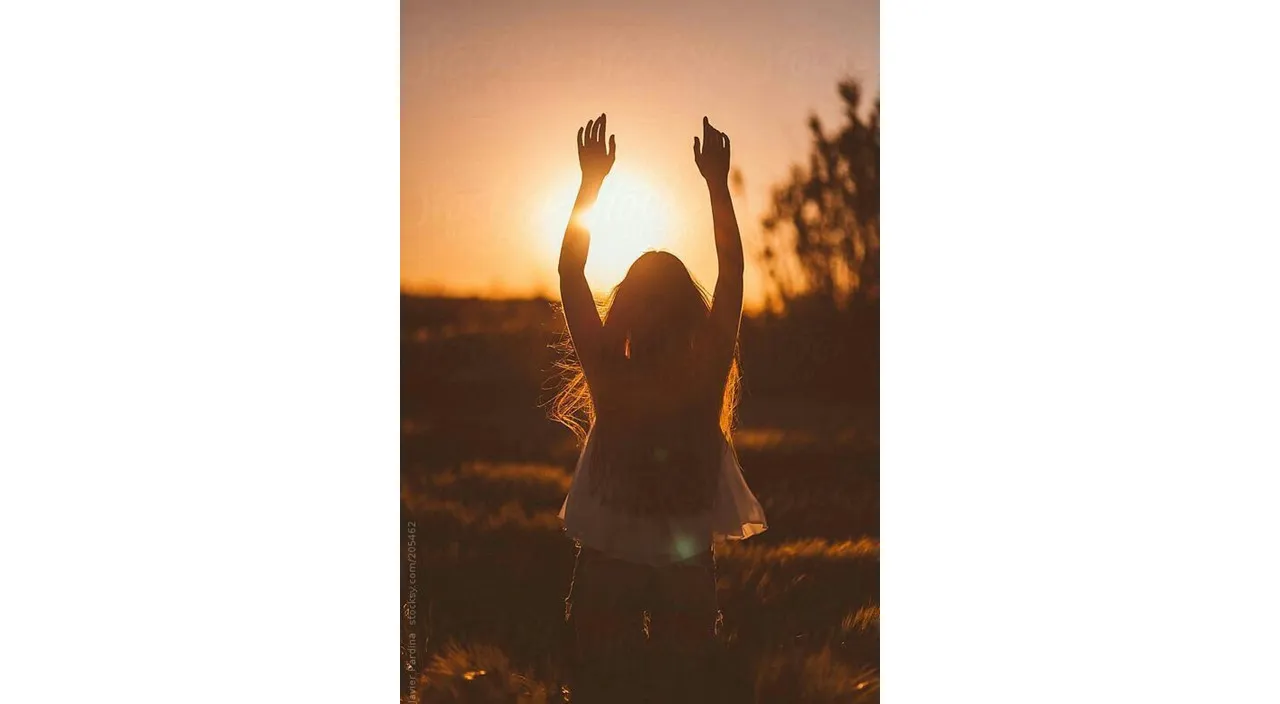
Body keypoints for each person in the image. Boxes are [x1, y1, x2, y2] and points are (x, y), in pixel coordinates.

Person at [551, 113, 767, 702]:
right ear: (687, 312)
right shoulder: (703, 383)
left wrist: (590, 185)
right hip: (686, 565)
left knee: (599, 685)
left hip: (608, 560)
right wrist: (717, 187)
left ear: (626, 309)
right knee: (686, 685)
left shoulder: (609, 375)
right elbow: (732, 273)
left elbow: (571, 272)